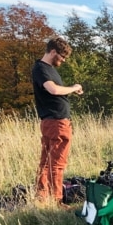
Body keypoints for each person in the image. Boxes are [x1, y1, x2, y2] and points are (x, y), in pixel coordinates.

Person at [32, 36, 84, 209]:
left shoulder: (46, 68)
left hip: (52, 121)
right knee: (57, 163)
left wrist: (71, 89)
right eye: (62, 56)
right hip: (56, 122)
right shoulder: (41, 68)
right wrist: (74, 88)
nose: (63, 60)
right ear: (53, 51)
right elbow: (53, 90)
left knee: (46, 161)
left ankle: (42, 197)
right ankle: (57, 201)